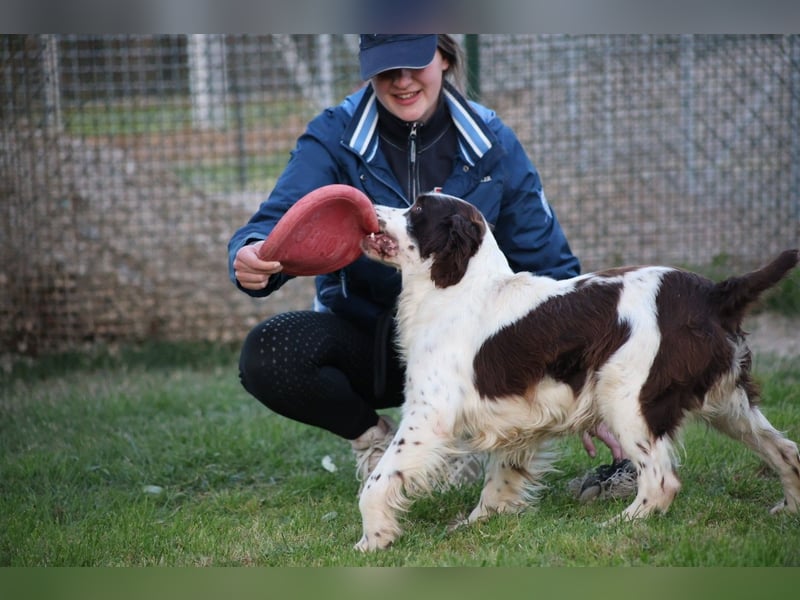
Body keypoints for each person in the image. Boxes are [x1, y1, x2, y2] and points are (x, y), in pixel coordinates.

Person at [228, 34, 636, 498]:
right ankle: (375, 443)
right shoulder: (332, 136)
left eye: (414, 64)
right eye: (386, 69)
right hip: (372, 340)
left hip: (473, 354)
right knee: (269, 354)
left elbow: (549, 263)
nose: (402, 82)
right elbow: (278, 223)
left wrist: (586, 377)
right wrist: (253, 253)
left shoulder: (491, 142)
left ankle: (463, 441)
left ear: (443, 56)